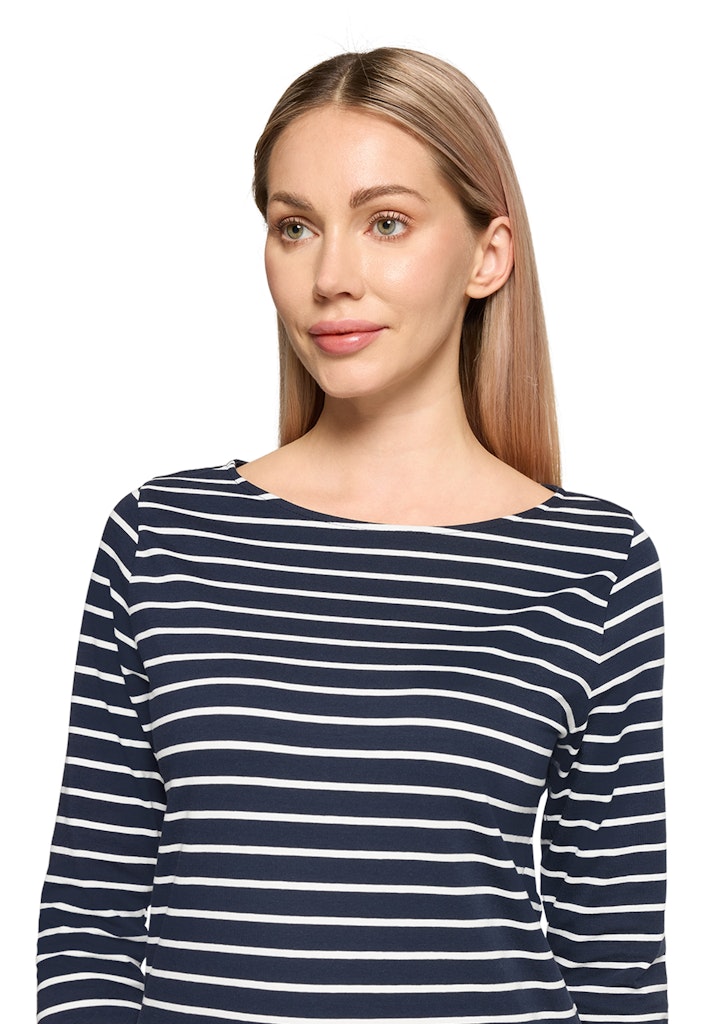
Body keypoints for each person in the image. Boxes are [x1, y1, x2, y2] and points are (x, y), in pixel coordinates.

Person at [37, 48, 667, 1024]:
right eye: (295, 227)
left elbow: (615, 960)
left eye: (386, 223)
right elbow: (89, 926)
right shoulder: (159, 539)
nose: (330, 277)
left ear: (488, 255)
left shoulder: (597, 561)